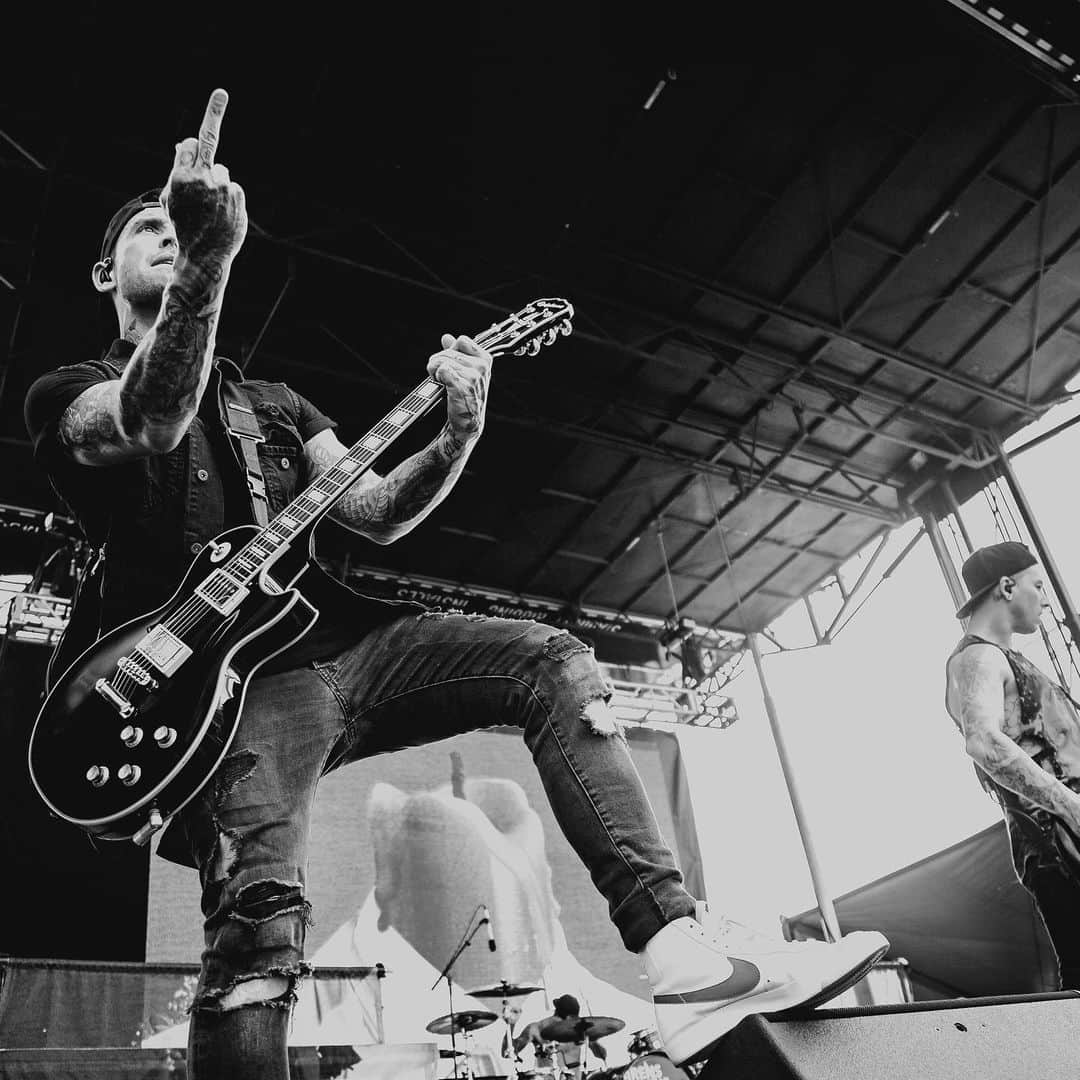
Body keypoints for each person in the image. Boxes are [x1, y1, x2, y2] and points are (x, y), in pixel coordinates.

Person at [23, 88, 887, 1078]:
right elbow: (149, 417)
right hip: (217, 689)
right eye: (151, 230)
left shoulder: (273, 404)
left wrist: (462, 428)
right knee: (259, 922)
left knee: (551, 661)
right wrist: (211, 259)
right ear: (108, 270)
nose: (173, 238)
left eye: (187, 230)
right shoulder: (67, 392)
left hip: (341, 648)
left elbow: (374, 508)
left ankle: (678, 953)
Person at [945, 540, 1080, 990]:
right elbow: (983, 741)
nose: (1045, 597)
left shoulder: (1006, 659)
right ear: (1006, 586)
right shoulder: (978, 657)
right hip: (1061, 847)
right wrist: (1070, 806)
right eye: (1036, 585)